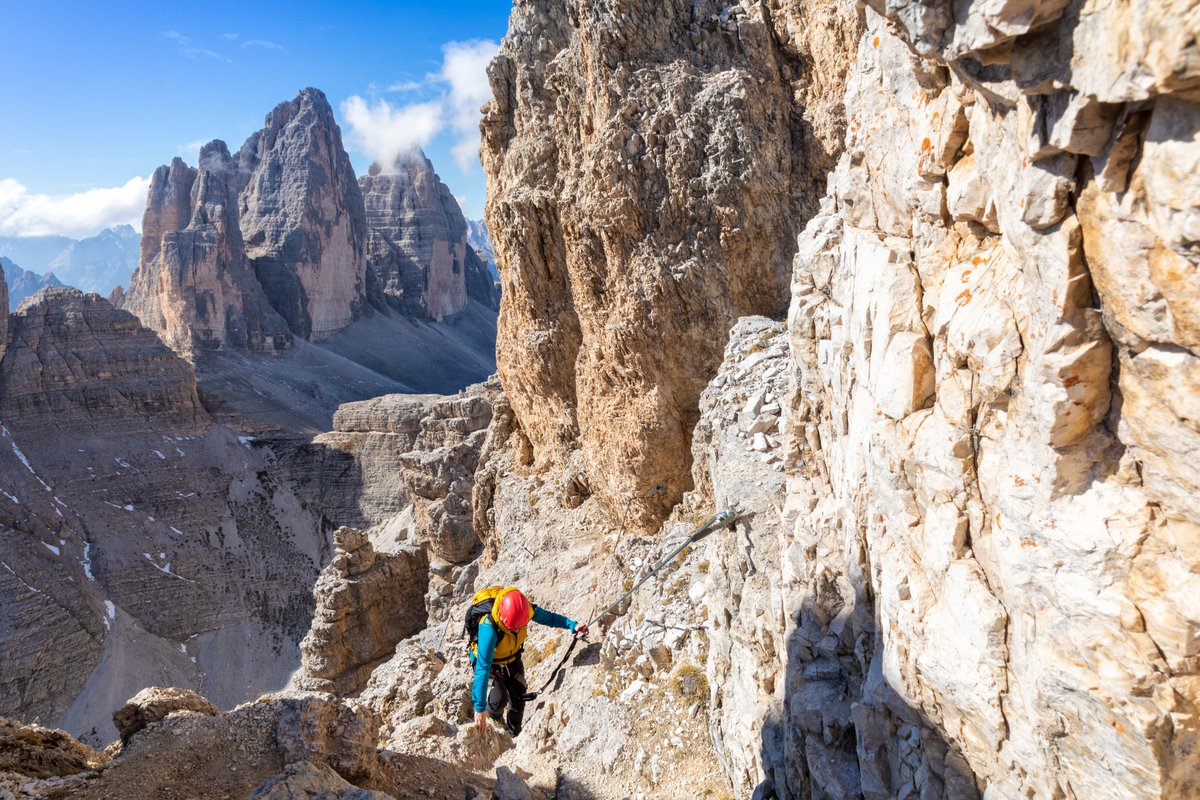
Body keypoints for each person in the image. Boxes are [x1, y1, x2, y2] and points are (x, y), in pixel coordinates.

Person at [467, 586, 588, 737]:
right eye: (512, 629)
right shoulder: (489, 627)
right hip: (491, 665)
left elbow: (549, 618)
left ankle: (514, 734)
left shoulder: (525, 610)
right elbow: (482, 668)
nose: (516, 631)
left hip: (512, 658)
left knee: (519, 695)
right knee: (498, 700)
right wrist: (479, 708)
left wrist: (572, 625)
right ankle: (495, 716)